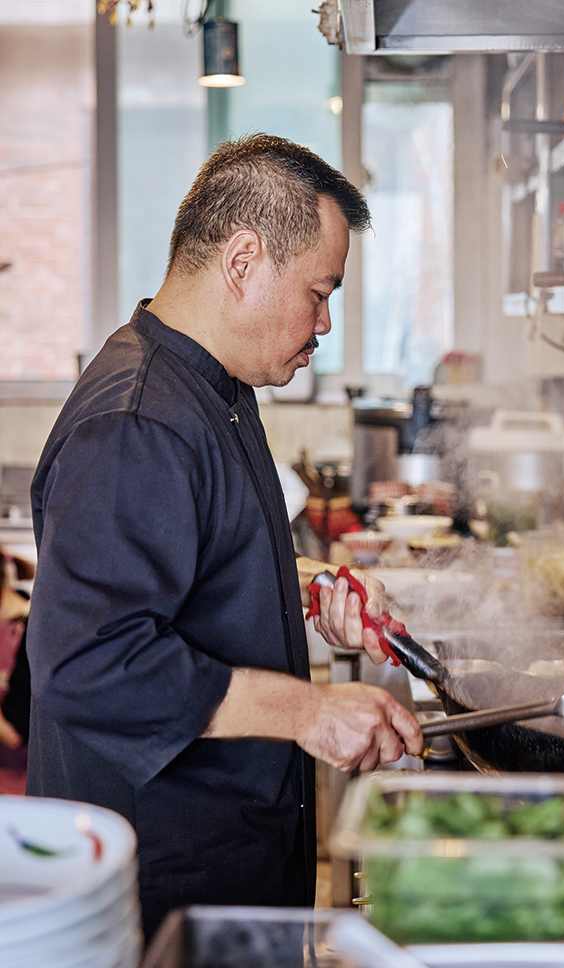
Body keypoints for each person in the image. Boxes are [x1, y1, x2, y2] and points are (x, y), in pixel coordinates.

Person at [25, 134, 423, 940]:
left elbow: (194, 558)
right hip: (162, 882)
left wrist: (306, 582)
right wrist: (309, 711)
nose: (324, 322)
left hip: (230, 854)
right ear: (243, 261)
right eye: (318, 292)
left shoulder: (214, 390)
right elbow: (89, 664)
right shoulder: (138, 422)